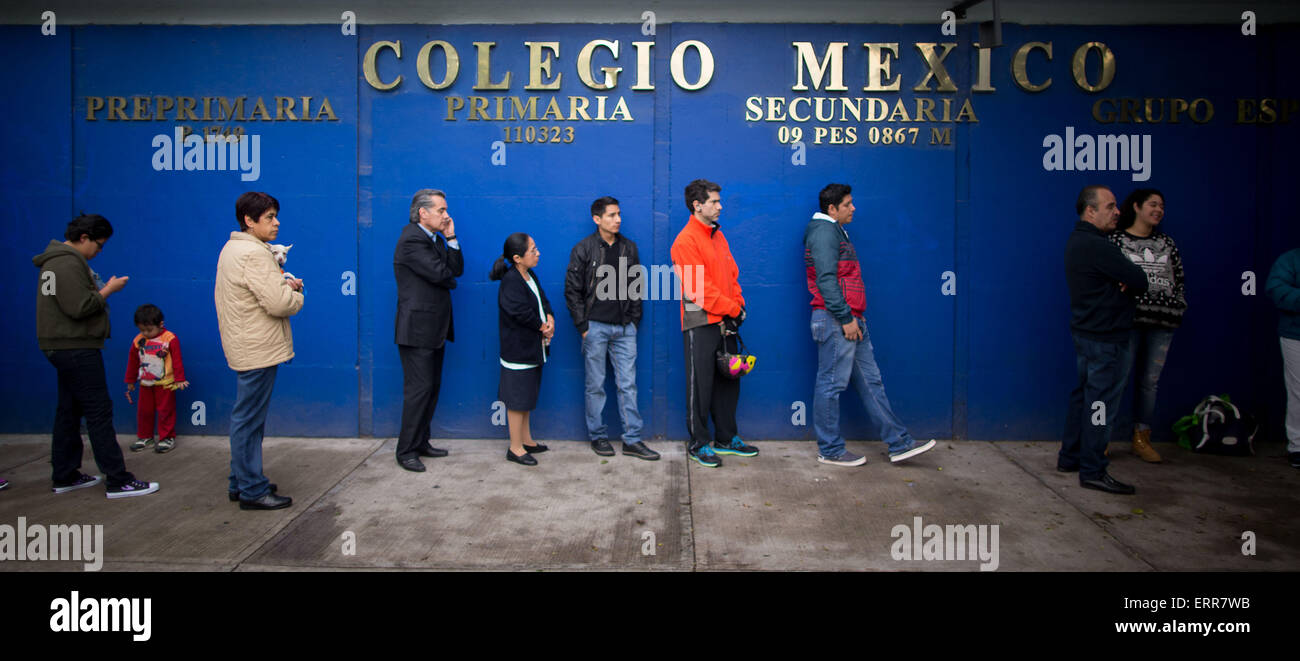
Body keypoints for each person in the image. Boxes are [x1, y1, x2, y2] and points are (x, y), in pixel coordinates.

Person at [804, 183, 937, 466]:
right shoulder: (824, 232)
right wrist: (845, 318)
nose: (854, 208)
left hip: (851, 321)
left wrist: (853, 319)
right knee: (830, 384)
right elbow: (826, 280)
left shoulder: (834, 231)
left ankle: (899, 443)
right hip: (837, 321)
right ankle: (829, 450)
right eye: (848, 204)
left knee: (871, 382)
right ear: (831, 209)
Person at [34, 213, 159, 498]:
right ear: (84, 238)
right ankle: (118, 480)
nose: (99, 251)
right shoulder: (66, 263)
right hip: (76, 347)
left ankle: (65, 474)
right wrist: (108, 290)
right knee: (98, 412)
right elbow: (79, 307)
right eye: (99, 245)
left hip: (62, 347)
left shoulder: (54, 262)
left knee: (69, 410)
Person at [215, 192, 303, 510]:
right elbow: (279, 303)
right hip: (257, 348)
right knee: (249, 420)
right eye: (268, 217)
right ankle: (252, 489)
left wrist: (281, 287)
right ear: (249, 221)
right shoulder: (253, 254)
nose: (276, 222)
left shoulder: (234, 248)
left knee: (247, 418)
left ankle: (240, 481)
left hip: (247, 343)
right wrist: (296, 294)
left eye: (276, 215)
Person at [1061, 185, 1149, 494]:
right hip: (1106, 337)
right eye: (1110, 207)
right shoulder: (1098, 246)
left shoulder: (1079, 241)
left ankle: (1070, 457)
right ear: (1090, 211)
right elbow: (1140, 279)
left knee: (1084, 396)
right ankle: (1093, 469)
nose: (1117, 212)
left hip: (1088, 333)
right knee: (1100, 404)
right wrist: (1123, 281)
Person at [670, 179, 759, 468]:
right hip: (701, 322)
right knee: (701, 385)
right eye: (714, 202)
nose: (720, 206)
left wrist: (739, 305)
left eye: (719, 201)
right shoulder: (685, 241)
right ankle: (699, 443)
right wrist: (732, 308)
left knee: (728, 381)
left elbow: (732, 274)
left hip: (727, 319)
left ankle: (726, 438)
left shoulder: (717, 235)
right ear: (697, 205)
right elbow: (699, 290)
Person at [564, 196, 658, 461]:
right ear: (597, 219)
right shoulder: (583, 248)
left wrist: (634, 321)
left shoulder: (629, 247)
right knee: (595, 385)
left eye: (619, 214)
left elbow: (636, 287)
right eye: (611, 215)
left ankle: (632, 440)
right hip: (594, 327)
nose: (618, 219)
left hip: (624, 328)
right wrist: (583, 325)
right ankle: (598, 436)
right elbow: (572, 290)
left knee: (628, 385)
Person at [1109, 189, 1185, 463]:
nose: (1158, 210)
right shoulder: (1117, 240)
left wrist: (1176, 308)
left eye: (1162, 206)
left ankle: (1142, 437)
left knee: (1149, 383)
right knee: (1118, 378)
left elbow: (1178, 279)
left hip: (1161, 322)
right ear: (1137, 207)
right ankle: (1102, 438)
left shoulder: (1166, 243)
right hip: (1128, 321)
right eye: (1153, 204)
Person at [393, 189, 463, 473]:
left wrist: (451, 238)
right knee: (418, 390)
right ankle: (406, 450)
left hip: (434, 329)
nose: (446, 215)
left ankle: (421, 442)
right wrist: (447, 276)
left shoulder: (433, 239)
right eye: (441, 210)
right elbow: (442, 275)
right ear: (423, 212)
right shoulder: (412, 239)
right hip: (417, 330)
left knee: (431, 389)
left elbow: (455, 270)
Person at [491, 233, 553, 466]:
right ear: (517, 258)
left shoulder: (529, 274)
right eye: (533, 250)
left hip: (533, 349)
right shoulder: (511, 281)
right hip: (518, 351)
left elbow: (542, 300)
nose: (538, 254)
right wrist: (542, 327)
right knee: (517, 401)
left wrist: (549, 316)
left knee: (527, 397)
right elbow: (519, 312)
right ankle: (515, 448)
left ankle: (526, 440)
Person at [124, 303, 189, 454]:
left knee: (165, 410)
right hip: (146, 382)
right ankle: (145, 437)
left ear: (160, 324)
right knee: (144, 411)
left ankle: (167, 437)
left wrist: (179, 379)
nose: (146, 333)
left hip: (165, 383)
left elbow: (177, 360)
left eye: (149, 329)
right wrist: (130, 380)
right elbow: (133, 361)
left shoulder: (169, 338)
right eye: (142, 330)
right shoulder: (138, 341)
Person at [1266, 246, 1300, 468]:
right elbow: (1276, 289)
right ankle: (1297, 446)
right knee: (1299, 391)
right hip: (1295, 335)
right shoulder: (1291, 259)